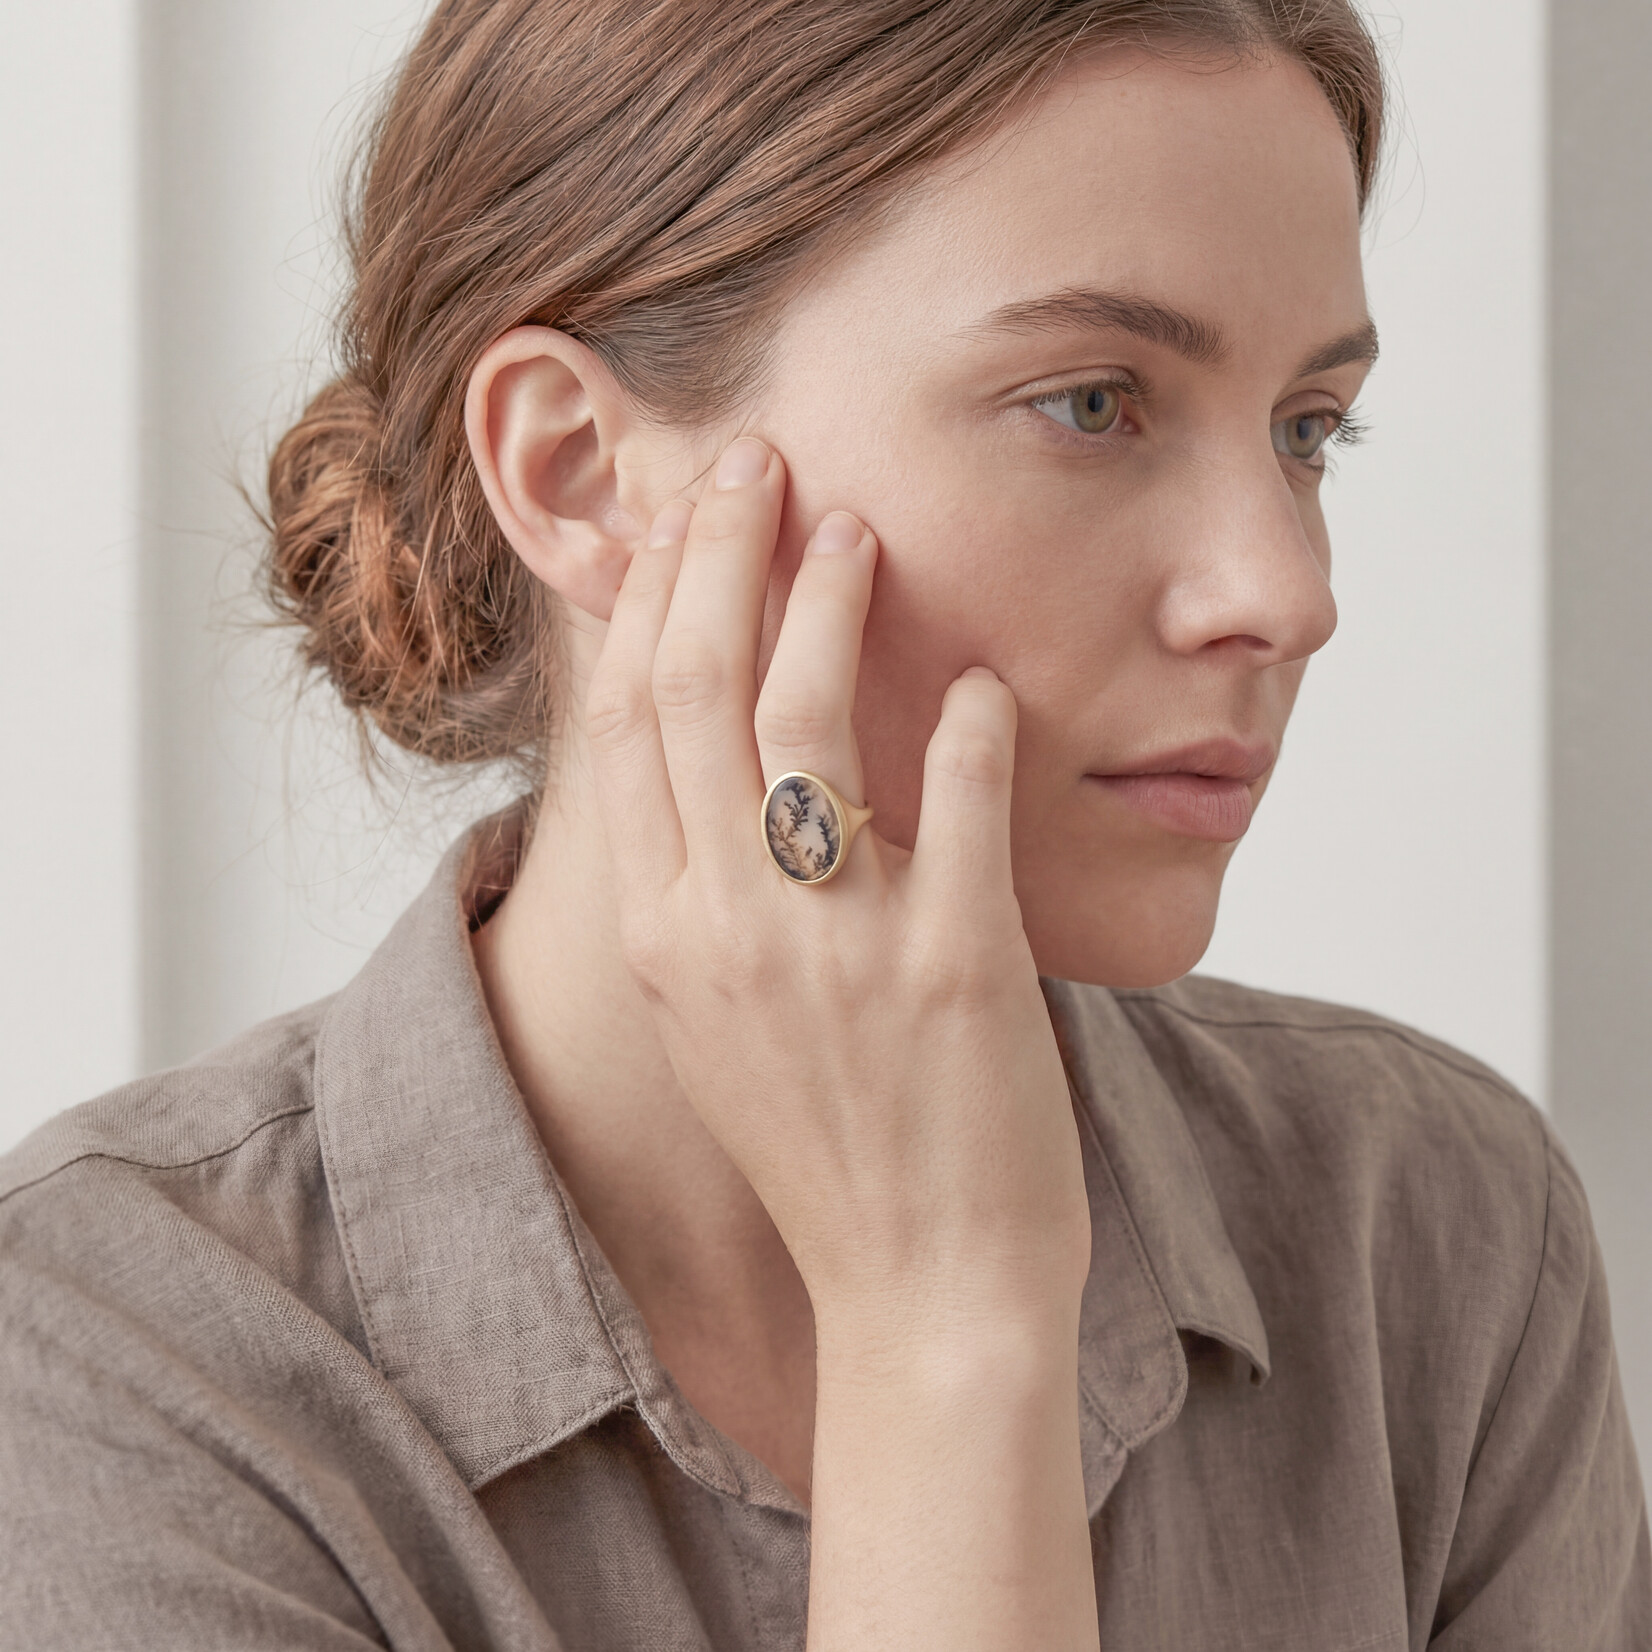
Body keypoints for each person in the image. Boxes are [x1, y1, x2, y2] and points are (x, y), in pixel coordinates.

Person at [1, 0, 1646, 1646]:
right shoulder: (104, 1368)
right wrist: (944, 1327)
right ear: (578, 471)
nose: (1286, 592)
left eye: (1308, 430)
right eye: (1092, 403)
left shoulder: (1433, 1241)